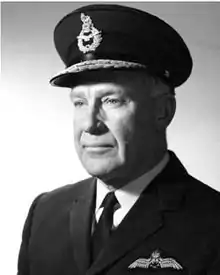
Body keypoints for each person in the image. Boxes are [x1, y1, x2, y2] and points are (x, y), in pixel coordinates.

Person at [17, 4, 220, 275]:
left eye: (112, 100)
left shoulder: (213, 224)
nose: (90, 124)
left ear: (163, 111)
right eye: (79, 102)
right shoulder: (45, 213)